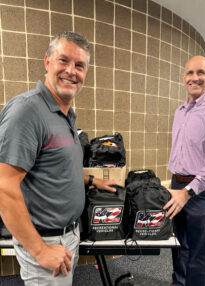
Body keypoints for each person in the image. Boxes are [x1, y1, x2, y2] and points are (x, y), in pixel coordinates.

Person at [0, 31, 116, 285]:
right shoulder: (27, 111)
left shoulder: (67, 113)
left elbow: (55, 166)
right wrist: (40, 250)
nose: (71, 71)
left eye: (80, 65)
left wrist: (92, 180)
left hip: (69, 237)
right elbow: (4, 186)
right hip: (45, 241)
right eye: (63, 61)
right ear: (47, 62)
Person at [164, 56, 205, 286]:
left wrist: (188, 192)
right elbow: (181, 153)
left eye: (200, 73)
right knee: (178, 242)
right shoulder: (179, 111)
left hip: (199, 191)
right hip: (177, 184)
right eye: (190, 73)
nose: (195, 78)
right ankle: (179, 282)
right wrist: (173, 185)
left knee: (198, 249)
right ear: (184, 78)